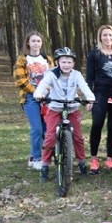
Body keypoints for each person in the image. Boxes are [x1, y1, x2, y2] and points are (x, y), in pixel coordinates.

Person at [33, 47, 96, 182]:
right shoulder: (51, 74)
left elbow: (84, 87)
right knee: (50, 137)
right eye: (63, 62)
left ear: (73, 64)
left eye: (69, 62)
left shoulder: (76, 74)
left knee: (78, 137)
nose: (66, 65)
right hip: (55, 107)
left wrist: (90, 98)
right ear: (57, 63)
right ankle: (44, 165)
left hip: (72, 107)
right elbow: (42, 85)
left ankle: (81, 162)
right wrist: (39, 94)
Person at [86, 24, 112, 173]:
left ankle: (109, 158)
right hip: (100, 94)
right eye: (105, 35)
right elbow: (89, 77)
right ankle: (94, 158)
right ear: (100, 37)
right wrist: (89, 98)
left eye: (110, 35)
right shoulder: (94, 55)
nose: (108, 38)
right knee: (97, 124)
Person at [14, 31, 53, 170]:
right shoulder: (23, 59)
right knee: (36, 128)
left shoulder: (47, 59)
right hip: (30, 98)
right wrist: (36, 92)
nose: (36, 43)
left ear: (41, 43)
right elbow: (21, 80)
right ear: (28, 43)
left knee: (45, 129)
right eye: (33, 41)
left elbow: (53, 76)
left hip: (46, 98)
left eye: (38, 41)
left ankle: (34, 155)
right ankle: (37, 159)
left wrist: (48, 92)